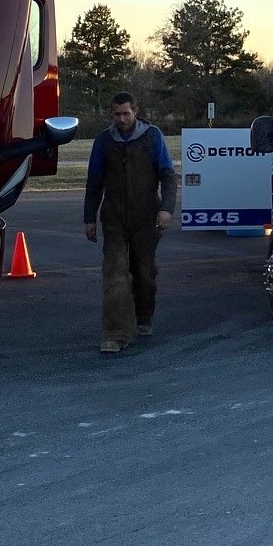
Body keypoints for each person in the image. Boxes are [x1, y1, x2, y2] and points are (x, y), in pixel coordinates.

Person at [83, 92, 177, 354]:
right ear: (111, 114)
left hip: (146, 216)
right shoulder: (103, 141)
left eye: (126, 113)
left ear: (135, 111)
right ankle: (115, 334)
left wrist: (167, 209)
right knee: (115, 274)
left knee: (144, 273)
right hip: (113, 217)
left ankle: (144, 316)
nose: (122, 118)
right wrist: (89, 218)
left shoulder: (152, 136)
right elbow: (94, 182)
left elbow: (168, 175)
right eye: (117, 114)